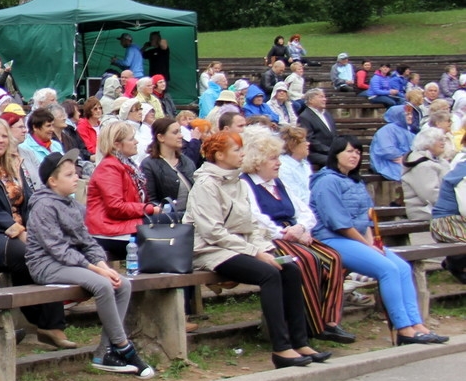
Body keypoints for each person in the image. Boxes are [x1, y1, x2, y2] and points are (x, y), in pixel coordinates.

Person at [187, 131, 329, 368]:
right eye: (237, 150)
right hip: (210, 250)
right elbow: (213, 232)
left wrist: (266, 249)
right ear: (219, 155)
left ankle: (300, 341)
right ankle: (281, 349)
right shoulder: (206, 184)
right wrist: (255, 253)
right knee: (269, 273)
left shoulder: (239, 183)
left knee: (290, 269)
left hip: (240, 246)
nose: (242, 154)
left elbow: (252, 224)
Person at [27, 153, 152, 377]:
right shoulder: (43, 206)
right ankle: (124, 347)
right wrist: (95, 270)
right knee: (103, 285)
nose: (76, 177)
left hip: (72, 263)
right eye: (69, 175)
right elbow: (57, 249)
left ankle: (104, 352)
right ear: (52, 181)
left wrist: (104, 265)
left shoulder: (73, 205)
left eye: (75, 173)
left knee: (121, 283)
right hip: (46, 265)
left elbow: (88, 241)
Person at [310, 136, 445, 343]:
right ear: (335, 154)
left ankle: (416, 323)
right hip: (332, 239)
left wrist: (373, 243)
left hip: (357, 239)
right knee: (387, 269)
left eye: (357, 152)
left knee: (402, 267)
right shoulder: (326, 181)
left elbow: (367, 218)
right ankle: (403, 328)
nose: (354, 156)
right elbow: (340, 224)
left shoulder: (356, 181)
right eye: (349, 151)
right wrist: (368, 247)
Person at [0, 117, 72, 347]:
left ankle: (52, 325)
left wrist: (36, 228)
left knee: (47, 251)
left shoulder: (10, 167)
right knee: (30, 254)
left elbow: (27, 202)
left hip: (16, 231)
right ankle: (46, 323)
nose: (0, 140)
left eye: (4, 136)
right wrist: (17, 230)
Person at [240, 132, 353, 344]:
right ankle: (310, 326)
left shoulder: (278, 183)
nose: (278, 163)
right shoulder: (245, 184)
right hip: (269, 237)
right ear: (257, 161)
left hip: (294, 234)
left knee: (333, 258)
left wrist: (301, 227)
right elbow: (255, 217)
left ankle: (329, 321)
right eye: (272, 158)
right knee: (306, 261)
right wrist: (285, 233)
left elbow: (305, 211)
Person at [86, 120, 167, 260]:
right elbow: (116, 207)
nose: (136, 142)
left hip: (122, 226)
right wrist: (149, 209)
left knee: (173, 221)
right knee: (170, 226)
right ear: (117, 145)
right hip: (108, 231)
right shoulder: (109, 168)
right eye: (131, 139)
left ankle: (175, 278)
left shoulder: (126, 165)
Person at [140, 117, 195, 218]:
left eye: (180, 132)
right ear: (161, 137)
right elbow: (150, 200)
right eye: (175, 133)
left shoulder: (187, 161)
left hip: (191, 219)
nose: (181, 136)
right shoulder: (148, 165)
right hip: (167, 222)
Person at [401, 128, 450, 222]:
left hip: (440, 210)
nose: (443, 143)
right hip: (425, 212)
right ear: (427, 144)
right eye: (439, 140)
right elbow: (431, 196)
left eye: (443, 140)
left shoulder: (440, 161)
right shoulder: (422, 166)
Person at [369, 105, 413, 182]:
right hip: (387, 163)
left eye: (411, 114)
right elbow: (386, 149)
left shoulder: (407, 131)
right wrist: (403, 158)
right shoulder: (387, 129)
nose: (410, 117)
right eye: (407, 114)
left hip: (405, 161)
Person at [298, 88, 337, 169]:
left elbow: (335, 134)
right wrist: (329, 151)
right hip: (315, 153)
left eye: (325, 97)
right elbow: (310, 140)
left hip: (331, 151)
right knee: (334, 161)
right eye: (321, 97)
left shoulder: (327, 114)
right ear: (311, 100)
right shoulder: (304, 117)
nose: (324, 99)